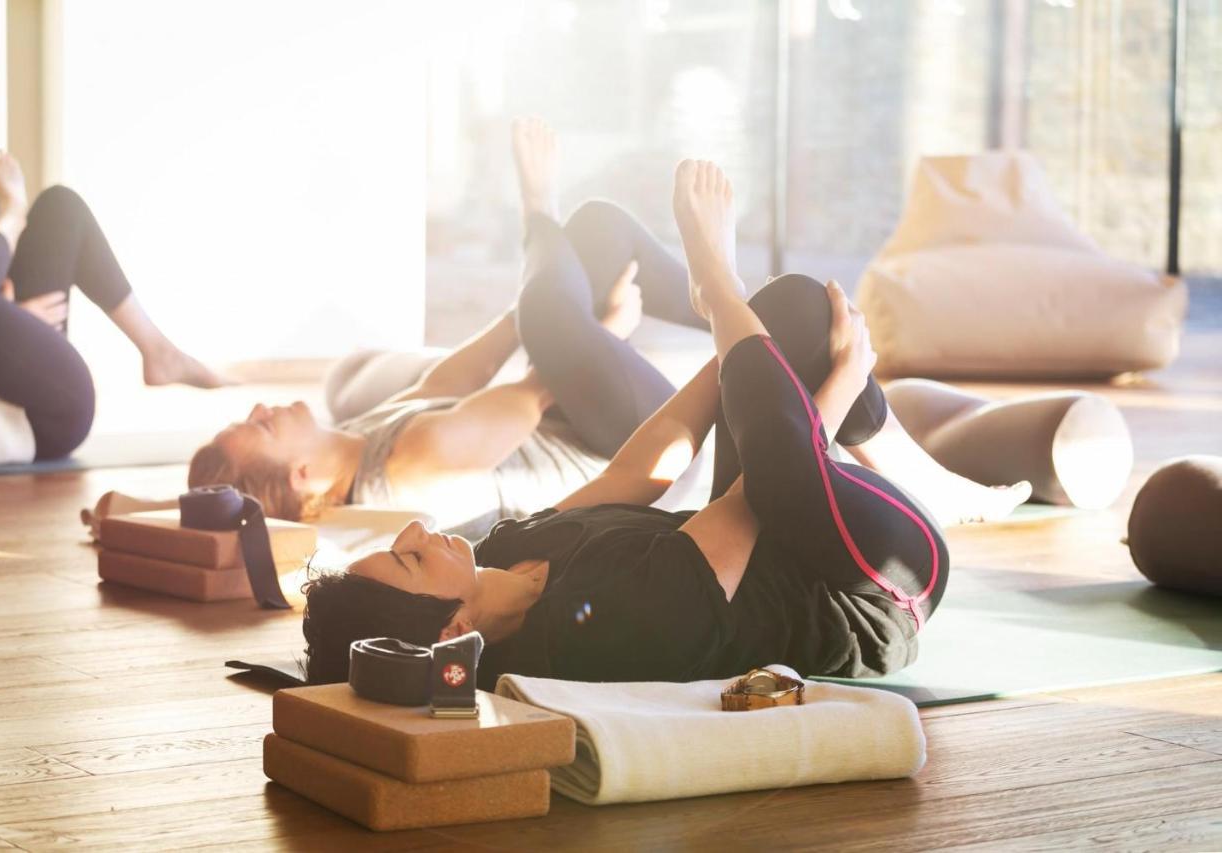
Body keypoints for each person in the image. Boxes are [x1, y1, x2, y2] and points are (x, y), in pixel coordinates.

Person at [300, 159, 1034, 687]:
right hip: (869, 593)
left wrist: (732, 346)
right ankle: (720, 277)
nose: (414, 534)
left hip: (789, 514)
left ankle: (892, 450)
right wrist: (797, 360)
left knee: (791, 310)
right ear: (453, 629)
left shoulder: (507, 548)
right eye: (409, 560)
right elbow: (759, 497)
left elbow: (636, 473)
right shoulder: (599, 633)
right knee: (780, 449)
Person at [189, 118, 715, 534]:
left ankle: (736, 313)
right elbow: (535, 390)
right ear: (303, 476)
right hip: (636, 452)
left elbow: (446, 383)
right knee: (551, 302)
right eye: (261, 426)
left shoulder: (350, 446)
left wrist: (536, 300)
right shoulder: (412, 472)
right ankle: (727, 308)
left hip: (580, 415)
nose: (260, 408)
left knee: (595, 229)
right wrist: (607, 327)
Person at [0, 148, 229, 465]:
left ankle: (159, 352)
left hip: (1, 374)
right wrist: (3, 330)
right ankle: (12, 215)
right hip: (36, 417)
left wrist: (6, 325)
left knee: (61, 208)